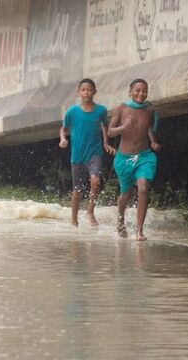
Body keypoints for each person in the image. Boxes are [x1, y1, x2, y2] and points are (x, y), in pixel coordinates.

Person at [108, 79, 162, 241]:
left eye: (144, 91)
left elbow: (148, 128)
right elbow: (110, 132)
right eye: (137, 90)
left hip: (144, 156)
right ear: (130, 92)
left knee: (143, 188)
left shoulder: (150, 109)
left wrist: (153, 140)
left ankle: (139, 231)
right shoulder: (122, 108)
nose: (141, 94)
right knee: (126, 193)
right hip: (124, 158)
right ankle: (120, 221)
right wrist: (123, 127)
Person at [59, 78, 114, 227]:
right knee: (77, 190)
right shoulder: (73, 111)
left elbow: (104, 126)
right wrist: (63, 139)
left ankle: (90, 211)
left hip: (94, 153)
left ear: (95, 92)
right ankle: (74, 220)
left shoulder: (101, 110)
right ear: (79, 92)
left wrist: (105, 142)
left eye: (90, 90)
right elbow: (63, 129)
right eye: (83, 90)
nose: (87, 92)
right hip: (77, 155)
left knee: (95, 180)